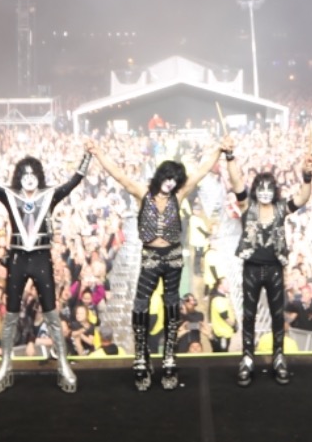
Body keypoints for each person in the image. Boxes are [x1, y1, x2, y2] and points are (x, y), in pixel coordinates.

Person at [91, 135, 230, 391]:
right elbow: (120, 176)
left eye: (174, 179)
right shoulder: (143, 194)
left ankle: (169, 359)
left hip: (173, 257)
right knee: (140, 306)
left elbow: (200, 172)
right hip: (151, 257)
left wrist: (219, 150)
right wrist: (98, 153)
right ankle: (141, 357)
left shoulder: (179, 195)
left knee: (172, 307)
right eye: (167, 178)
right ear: (159, 177)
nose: (170, 183)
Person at [0, 141, 90, 394]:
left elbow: (74, 181)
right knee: (10, 315)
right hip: (18, 259)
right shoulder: (10, 195)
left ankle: (63, 364)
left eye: (33, 174)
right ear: (18, 177)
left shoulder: (49, 195)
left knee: (52, 313)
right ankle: (5, 365)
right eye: (25, 174)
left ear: (39, 176)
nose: (29, 178)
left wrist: (88, 156)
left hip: (41, 258)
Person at [223, 149, 312, 385]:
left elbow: (302, 198)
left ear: (275, 191)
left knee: (277, 316)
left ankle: (278, 358)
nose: (264, 193)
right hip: (251, 269)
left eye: (269, 188)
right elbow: (236, 182)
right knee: (249, 316)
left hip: (274, 269)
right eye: (261, 188)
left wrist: (307, 177)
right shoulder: (247, 206)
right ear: (256, 189)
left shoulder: (281, 208)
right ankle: (247, 359)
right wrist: (230, 157)